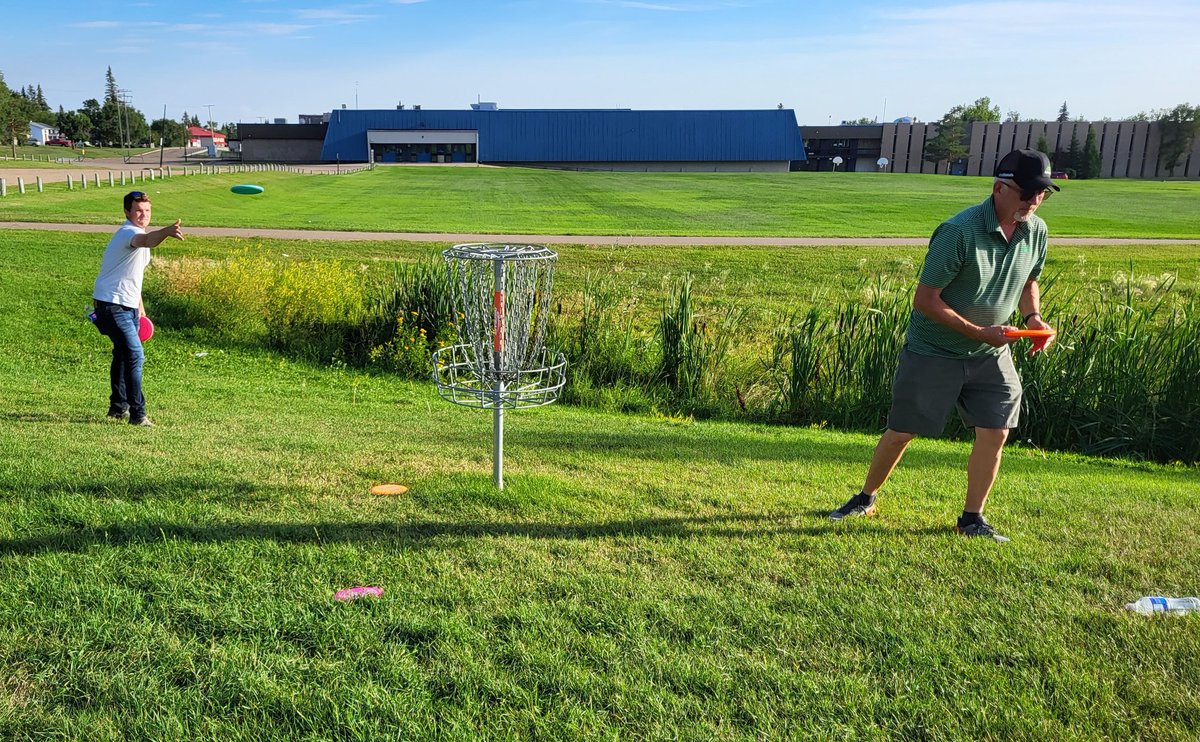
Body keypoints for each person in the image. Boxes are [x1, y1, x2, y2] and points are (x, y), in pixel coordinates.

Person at [829, 149, 1060, 542]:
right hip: (934, 349)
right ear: (999, 188)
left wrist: (1033, 320)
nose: (1034, 201)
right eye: (1027, 193)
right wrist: (977, 331)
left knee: (996, 430)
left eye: (1042, 193)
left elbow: (1028, 282)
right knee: (903, 430)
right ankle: (865, 498)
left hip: (992, 352)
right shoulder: (958, 231)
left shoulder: (1035, 231)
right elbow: (926, 300)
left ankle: (972, 518)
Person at [92, 191, 184, 427]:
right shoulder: (129, 233)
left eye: (147, 211)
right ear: (127, 212)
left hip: (128, 305)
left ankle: (117, 408)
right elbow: (147, 240)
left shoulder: (138, 233)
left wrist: (140, 308)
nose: (144, 215)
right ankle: (138, 414)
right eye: (138, 211)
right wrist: (166, 232)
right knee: (135, 355)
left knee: (123, 355)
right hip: (111, 305)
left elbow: (133, 277)